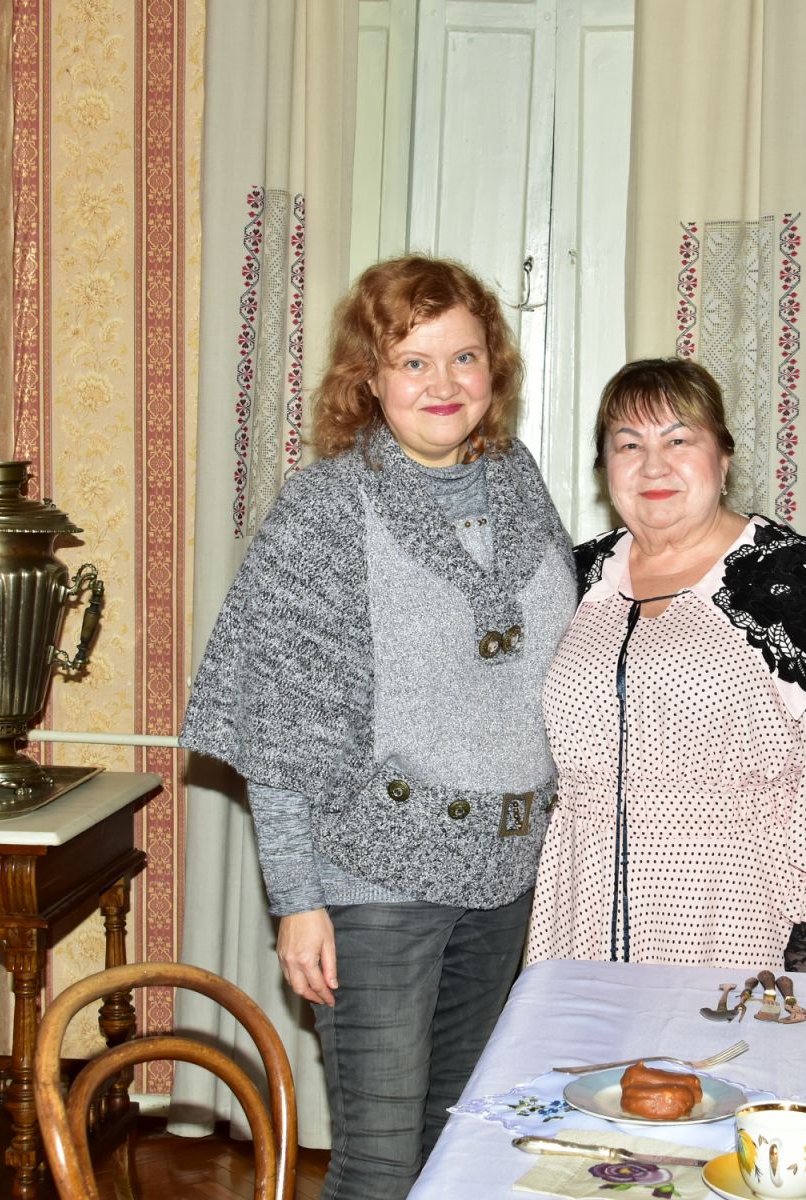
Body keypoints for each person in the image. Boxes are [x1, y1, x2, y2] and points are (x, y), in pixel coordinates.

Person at [180, 256, 575, 1197]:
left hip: (506, 878)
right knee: (380, 1162)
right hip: (374, 881)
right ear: (369, 377)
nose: (444, 384)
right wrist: (297, 901)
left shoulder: (519, 482)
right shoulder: (325, 507)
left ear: (495, 368)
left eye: (464, 357)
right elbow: (279, 721)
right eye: (414, 362)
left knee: (458, 1144)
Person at [525, 357, 806, 970]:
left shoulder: (798, 582)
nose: (654, 465)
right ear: (605, 469)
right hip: (580, 904)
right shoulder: (573, 578)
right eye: (629, 444)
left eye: (679, 440)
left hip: (734, 912)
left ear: (723, 459)